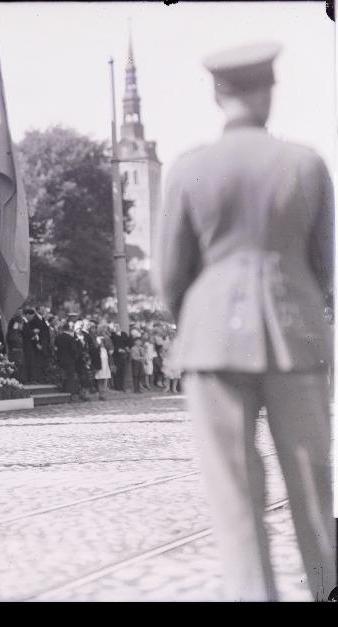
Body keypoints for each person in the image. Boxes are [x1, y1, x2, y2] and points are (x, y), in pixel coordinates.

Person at [153, 43, 336, 601]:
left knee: (234, 499)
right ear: (269, 93)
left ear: (217, 94)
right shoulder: (305, 164)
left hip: (211, 344)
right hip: (296, 337)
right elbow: (326, 267)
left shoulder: (187, 169)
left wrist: (203, 321)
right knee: (313, 495)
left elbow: (168, 275)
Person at [23, 308, 50, 383]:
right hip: (35, 344)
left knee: (41, 362)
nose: (44, 310)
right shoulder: (34, 319)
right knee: (36, 362)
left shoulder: (42, 319)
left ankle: (40, 378)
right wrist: (37, 343)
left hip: (43, 344)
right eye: (42, 308)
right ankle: (35, 378)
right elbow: (33, 333)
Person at [54, 321, 80, 396]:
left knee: (62, 375)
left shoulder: (58, 338)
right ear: (68, 329)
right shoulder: (70, 338)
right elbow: (74, 350)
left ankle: (63, 389)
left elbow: (55, 348)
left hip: (60, 359)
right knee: (70, 376)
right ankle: (70, 392)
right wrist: (75, 357)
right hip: (70, 360)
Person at [94, 335, 111, 401]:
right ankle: (101, 395)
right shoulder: (97, 350)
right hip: (100, 367)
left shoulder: (105, 349)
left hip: (105, 367)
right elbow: (96, 359)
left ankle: (104, 394)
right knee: (100, 381)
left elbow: (108, 358)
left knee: (104, 380)